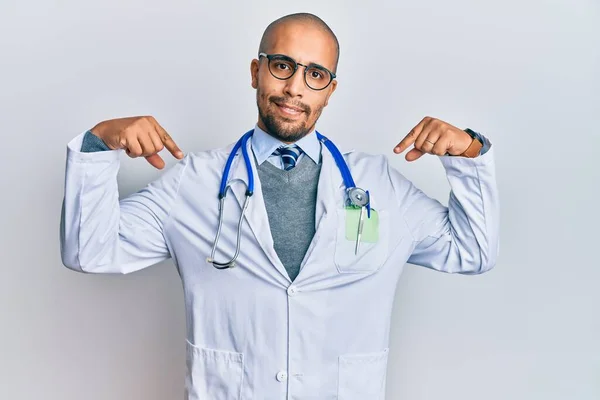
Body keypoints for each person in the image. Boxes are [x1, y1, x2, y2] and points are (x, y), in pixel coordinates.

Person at [60, 12, 499, 400]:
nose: (294, 89)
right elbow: (90, 251)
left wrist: (469, 156)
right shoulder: (193, 183)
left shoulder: (378, 185)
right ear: (256, 71)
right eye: (282, 66)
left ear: (330, 90)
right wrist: (100, 143)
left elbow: (472, 251)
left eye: (315, 75)